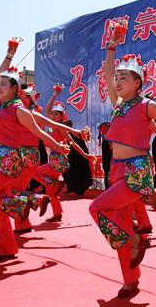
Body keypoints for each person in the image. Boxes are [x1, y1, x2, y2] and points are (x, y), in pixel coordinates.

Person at [88, 31, 156, 298]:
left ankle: (139, 239)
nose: (116, 81)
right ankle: (131, 279)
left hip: (136, 171)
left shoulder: (147, 105)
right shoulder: (117, 105)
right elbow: (106, 73)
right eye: (117, 78)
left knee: (97, 207)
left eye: (123, 77)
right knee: (118, 226)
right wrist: (112, 47)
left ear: (138, 83)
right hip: (116, 169)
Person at [0, 41, 69, 262]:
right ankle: (6, 247)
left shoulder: (18, 109)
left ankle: (27, 201)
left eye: (4, 84)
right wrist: (9, 54)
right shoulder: (0, 105)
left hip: (9, 160)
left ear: (15, 88)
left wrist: (58, 146)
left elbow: (40, 132)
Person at [33, 88, 96, 222]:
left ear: (62, 117)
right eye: (52, 114)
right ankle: (57, 213)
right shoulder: (49, 126)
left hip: (58, 159)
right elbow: (48, 109)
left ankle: (58, 183)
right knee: (51, 190)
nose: (53, 116)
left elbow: (73, 143)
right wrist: (54, 94)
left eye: (57, 114)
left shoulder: (61, 129)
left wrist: (85, 154)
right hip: (52, 158)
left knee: (34, 172)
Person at [62, 119, 93, 196]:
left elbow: (83, 143)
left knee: (79, 172)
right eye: (67, 124)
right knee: (68, 172)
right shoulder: (63, 133)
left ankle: (80, 190)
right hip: (69, 156)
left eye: (70, 124)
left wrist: (84, 155)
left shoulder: (76, 133)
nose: (68, 126)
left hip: (79, 157)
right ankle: (70, 188)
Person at [98, 122, 113, 190]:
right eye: (105, 129)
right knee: (107, 171)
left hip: (113, 161)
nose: (106, 130)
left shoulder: (113, 139)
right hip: (107, 161)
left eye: (108, 129)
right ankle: (108, 189)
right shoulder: (104, 140)